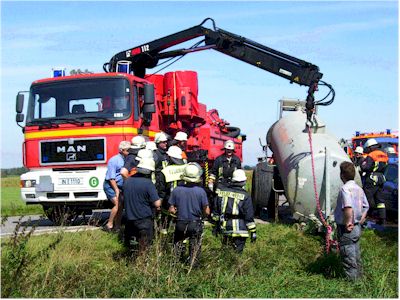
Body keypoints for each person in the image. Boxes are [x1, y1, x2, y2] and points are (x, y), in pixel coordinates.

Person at [168, 163, 210, 266]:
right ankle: (193, 265)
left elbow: (171, 210)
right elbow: (207, 211)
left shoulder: (177, 190)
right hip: (195, 223)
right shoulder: (201, 191)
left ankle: (176, 263)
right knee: (194, 246)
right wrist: (203, 216)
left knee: (178, 243)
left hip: (180, 223)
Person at [334, 161, 369, 280]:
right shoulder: (358, 189)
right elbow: (366, 206)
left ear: (342, 175)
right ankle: (360, 277)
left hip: (347, 228)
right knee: (355, 253)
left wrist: (349, 222)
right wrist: (361, 220)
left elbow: (348, 207)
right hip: (357, 227)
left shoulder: (345, 189)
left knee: (348, 255)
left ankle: (352, 284)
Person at [212, 169, 256, 254]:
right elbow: (249, 216)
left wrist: (215, 226)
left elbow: (216, 212)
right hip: (240, 230)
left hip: (225, 228)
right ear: (243, 181)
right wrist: (253, 231)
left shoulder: (222, 192)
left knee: (226, 253)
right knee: (237, 254)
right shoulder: (245, 195)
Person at [123, 157, 161, 253]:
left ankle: (131, 263)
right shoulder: (148, 183)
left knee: (132, 248)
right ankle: (143, 265)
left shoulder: (127, 181)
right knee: (144, 248)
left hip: (129, 220)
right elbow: (157, 203)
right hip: (144, 220)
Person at [103, 140, 131, 232]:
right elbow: (111, 178)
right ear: (122, 150)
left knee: (121, 206)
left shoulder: (127, 159)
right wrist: (116, 190)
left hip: (120, 186)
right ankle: (109, 224)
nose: (129, 151)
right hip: (111, 186)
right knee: (117, 203)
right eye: (127, 150)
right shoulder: (114, 160)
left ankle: (117, 226)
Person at [158, 146, 187, 233]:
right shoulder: (186, 168)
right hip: (184, 200)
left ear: (170, 157)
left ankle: (164, 240)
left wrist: (159, 203)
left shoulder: (166, 171)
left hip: (168, 201)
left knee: (165, 224)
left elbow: (161, 189)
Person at [360, 138, 388, 225]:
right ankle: (382, 220)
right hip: (381, 178)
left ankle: (364, 219)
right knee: (380, 201)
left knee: (366, 199)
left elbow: (365, 167)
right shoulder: (384, 155)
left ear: (370, 147)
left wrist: (362, 163)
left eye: (367, 148)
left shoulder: (371, 155)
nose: (367, 150)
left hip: (372, 178)